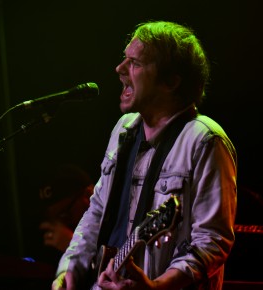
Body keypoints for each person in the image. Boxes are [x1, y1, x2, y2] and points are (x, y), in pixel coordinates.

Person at [51, 20, 237, 290]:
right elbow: (97, 211)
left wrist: (156, 287)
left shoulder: (206, 141)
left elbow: (212, 242)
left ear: (171, 81)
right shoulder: (123, 130)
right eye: (124, 59)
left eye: (135, 63)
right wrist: (69, 267)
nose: (119, 69)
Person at [38, 164, 94, 266]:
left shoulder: (119, 220)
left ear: (88, 194)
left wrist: (75, 247)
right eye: (53, 220)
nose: (61, 226)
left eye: (64, 214)